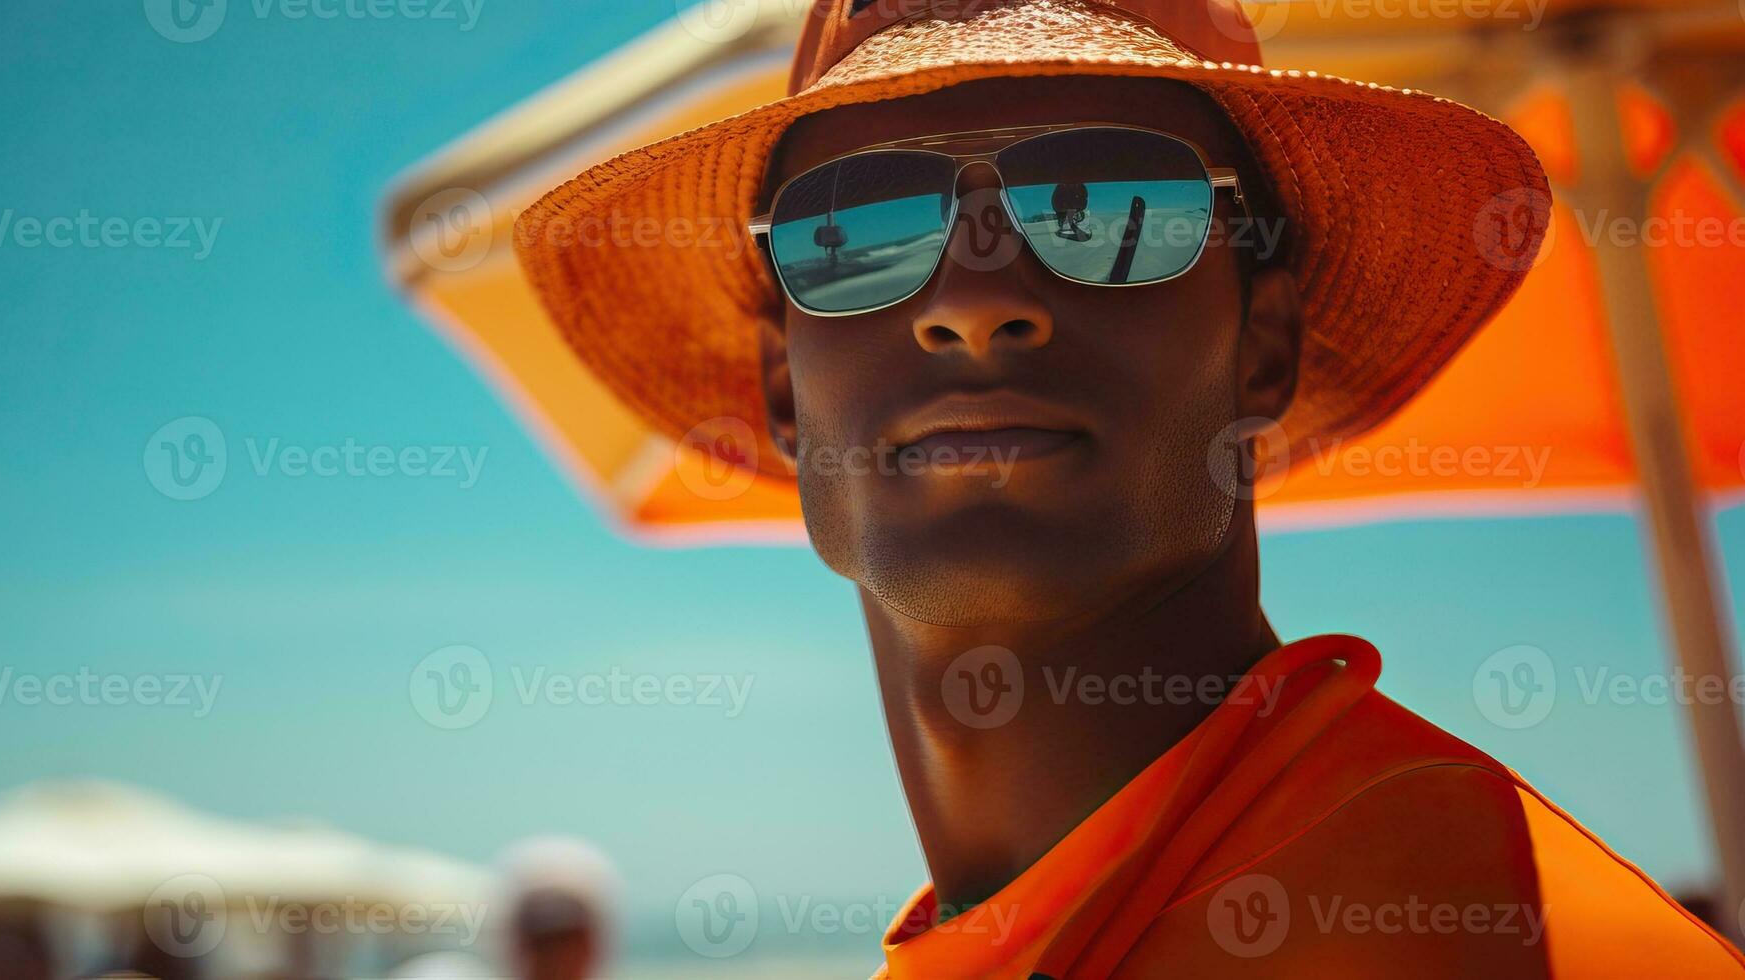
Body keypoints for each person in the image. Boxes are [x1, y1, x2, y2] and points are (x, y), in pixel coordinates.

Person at [511, 0, 1745, 975]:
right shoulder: (1040, 921)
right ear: (784, 386)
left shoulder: (1464, 927)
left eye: (1111, 206)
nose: (972, 297)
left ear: (1263, 341)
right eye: (855, 226)